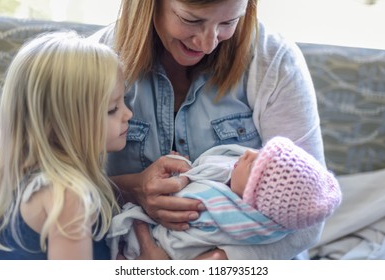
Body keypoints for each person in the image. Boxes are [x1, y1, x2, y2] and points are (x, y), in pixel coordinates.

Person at [92, 0, 325, 259]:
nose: (208, 44)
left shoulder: (274, 61)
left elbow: (311, 217)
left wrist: (214, 263)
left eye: (228, 22)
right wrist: (132, 188)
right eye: (191, 20)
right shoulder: (89, 63)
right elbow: (58, 186)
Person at [0, 31, 168, 260]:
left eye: (123, 101)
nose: (128, 114)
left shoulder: (15, 180)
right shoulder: (68, 197)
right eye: (112, 109)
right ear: (59, 124)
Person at [107, 137, 342, 259]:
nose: (248, 152)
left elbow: (185, 196)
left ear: (251, 204)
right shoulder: (234, 178)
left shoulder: (222, 209)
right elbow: (207, 169)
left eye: (253, 168)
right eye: (259, 153)